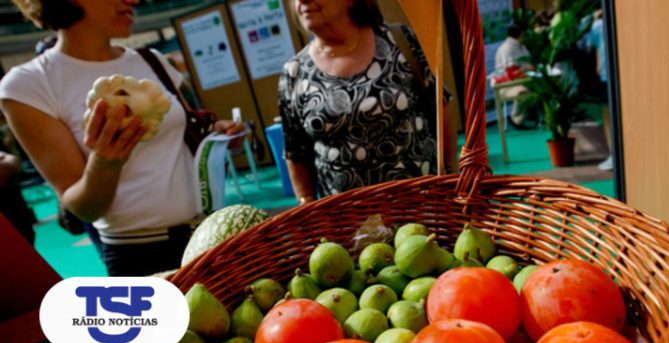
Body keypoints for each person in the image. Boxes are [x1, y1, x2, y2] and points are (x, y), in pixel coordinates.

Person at [0, 0, 243, 276]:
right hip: (138, 257)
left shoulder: (153, 60)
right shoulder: (30, 85)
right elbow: (82, 208)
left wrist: (217, 137)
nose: (134, 1)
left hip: (210, 236)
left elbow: (186, 141)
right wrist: (105, 162)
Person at [279, 0, 456, 203]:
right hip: (347, 222)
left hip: (423, 206)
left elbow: (439, 107)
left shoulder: (399, 41)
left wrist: (451, 174)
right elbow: (295, 153)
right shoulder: (294, 74)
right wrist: (306, 206)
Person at [585, 9, 612, 171]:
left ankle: (613, 154)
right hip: (616, 75)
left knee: (608, 117)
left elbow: (589, 46)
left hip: (605, 76)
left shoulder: (597, 25)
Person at [493, 25, 533, 130]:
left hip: (523, 80)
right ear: (520, 35)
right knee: (523, 92)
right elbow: (511, 70)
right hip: (507, 85)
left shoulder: (521, 46)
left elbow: (528, 63)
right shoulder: (507, 48)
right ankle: (516, 119)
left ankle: (530, 116)